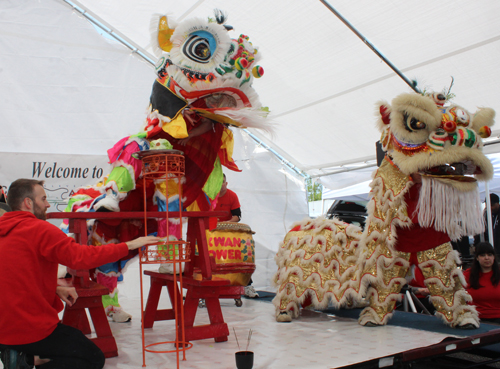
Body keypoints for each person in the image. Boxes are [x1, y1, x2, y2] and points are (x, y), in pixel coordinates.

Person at [0, 179, 160, 369]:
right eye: (43, 199)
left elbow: (16, 275)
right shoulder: (40, 230)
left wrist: (54, 288)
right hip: (29, 328)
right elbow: (82, 257)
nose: (48, 204)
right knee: (92, 359)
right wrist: (130, 244)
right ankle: (24, 360)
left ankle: (23, 356)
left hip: (4, 327)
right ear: (28, 203)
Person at [214, 174, 258, 298]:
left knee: (239, 259)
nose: (220, 184)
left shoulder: (232, 195)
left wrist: (224, 224)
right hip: (212, 233)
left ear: (226, 183)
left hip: (229, 233)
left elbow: (237, 216)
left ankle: (248, 286)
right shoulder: (210, 196)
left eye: (222, 182)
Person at [463, 242, 500, 324]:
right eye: (482, 255)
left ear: (494, 257)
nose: (487, 258)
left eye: (490, 254)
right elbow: (452, 289)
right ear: (477, 258)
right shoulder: (467, 274)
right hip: (475, 320)